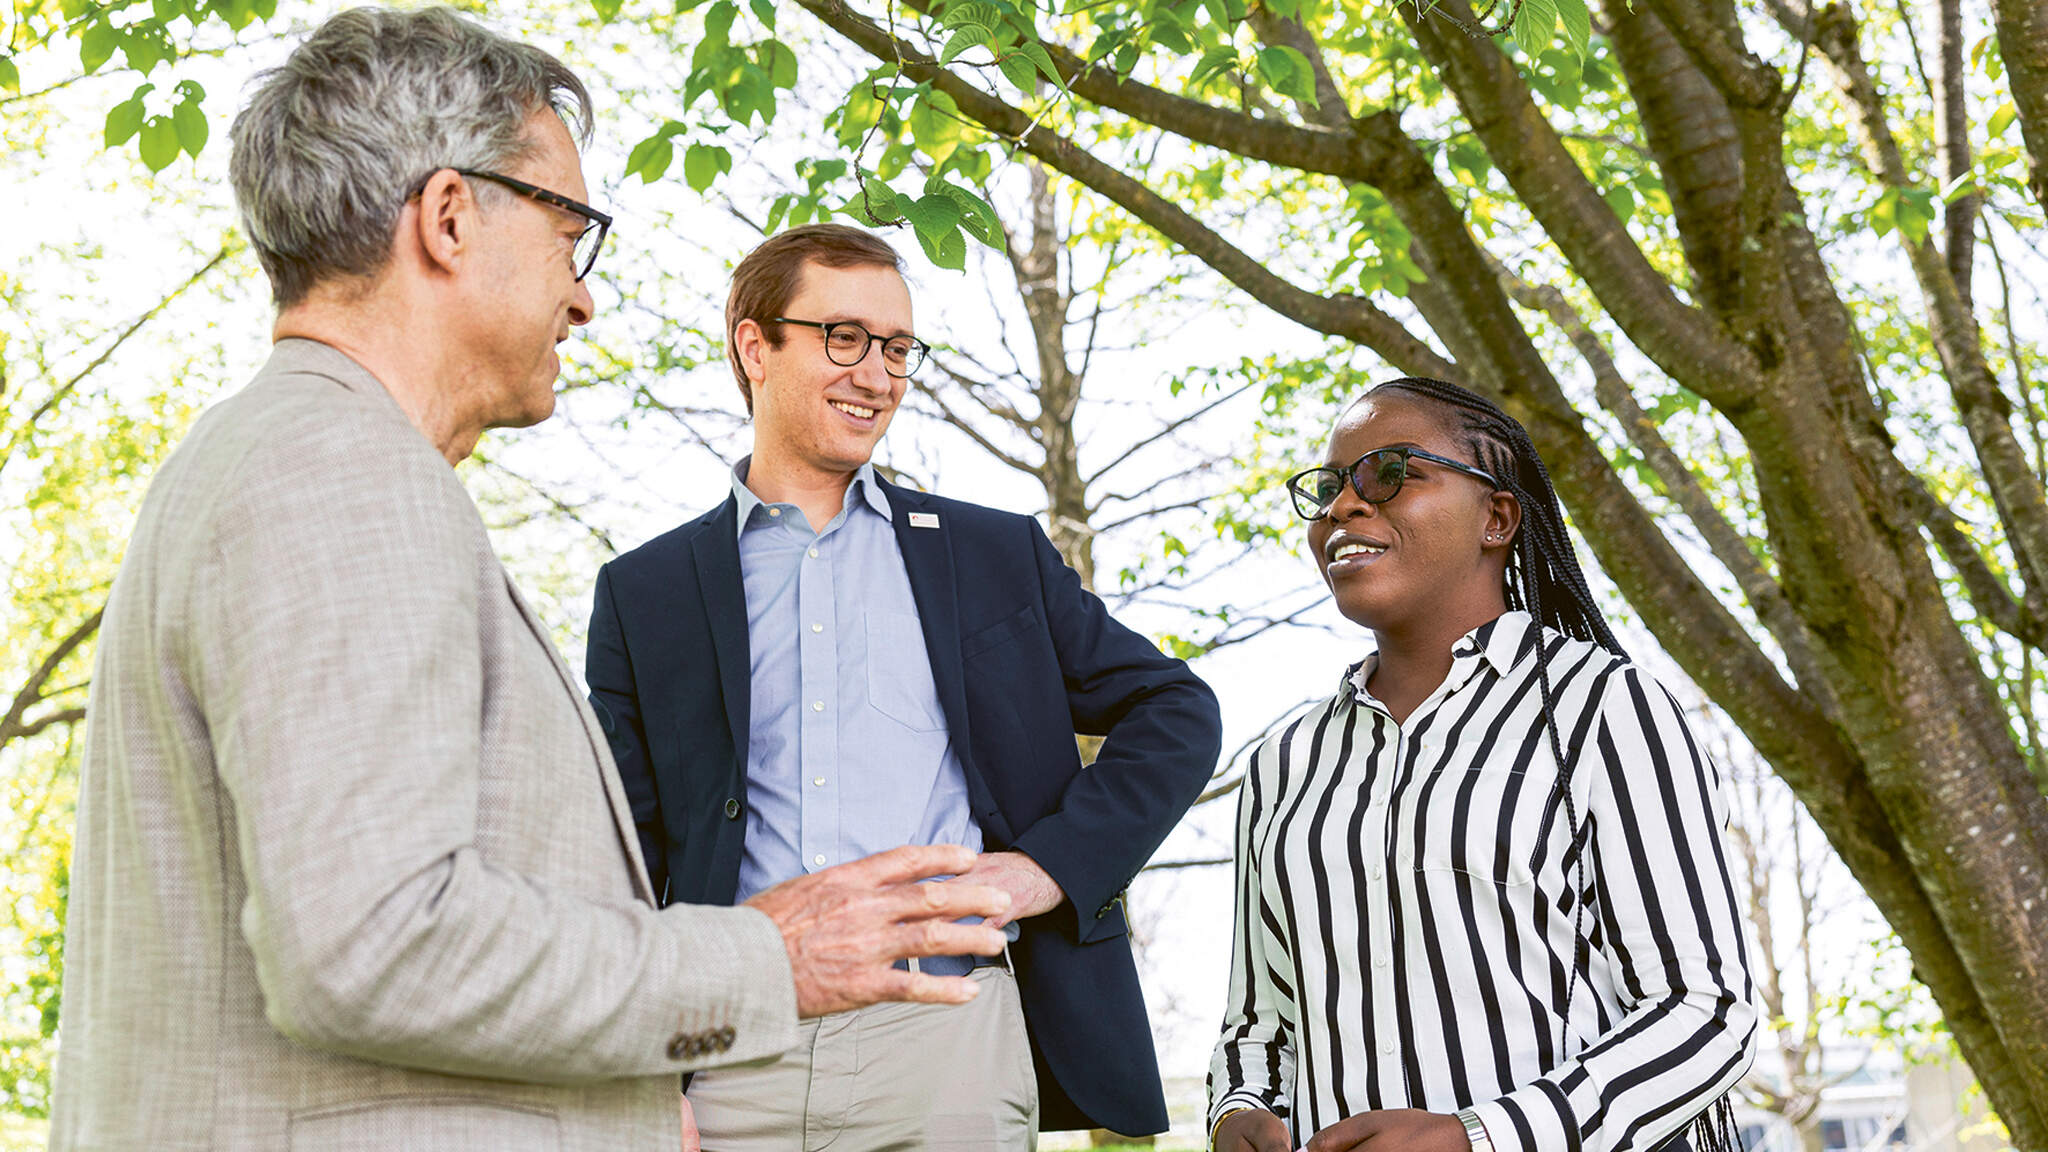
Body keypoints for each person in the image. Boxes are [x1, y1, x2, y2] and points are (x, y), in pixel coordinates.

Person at [48, 12, 1009, 1150]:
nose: (584, 296)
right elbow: (373, 943)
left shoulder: (287, 455)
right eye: (571, 233)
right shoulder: (338, 471)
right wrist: (765, 959)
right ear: (450, 218)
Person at [584, 222, 1224, 1148]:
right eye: (843, 338)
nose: (876, 374)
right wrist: (641, 1068)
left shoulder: (992, 556)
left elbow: (1174, 709)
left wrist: (1048, 867)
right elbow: (623, 856)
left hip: (946, 1035)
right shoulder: (646, 592)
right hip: (728, 1044)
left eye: (896, 348)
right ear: (754, 345)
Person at [1207, 377, 1757, 1152]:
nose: (1343, 507)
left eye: (1391, 473)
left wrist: (1478, 1138)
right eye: (1329, 488)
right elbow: (1260, 1022)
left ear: (1497, 517)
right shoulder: (1283, 762)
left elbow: (1707, 1011)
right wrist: (1239, 1108)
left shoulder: (1604, 709)